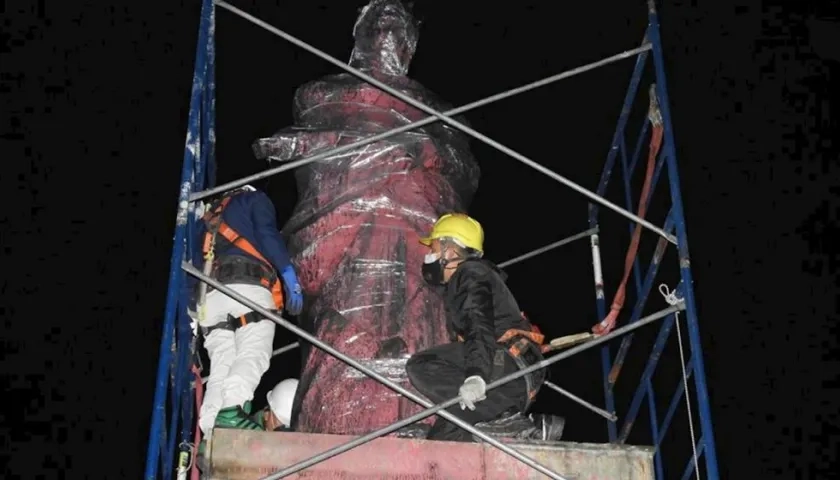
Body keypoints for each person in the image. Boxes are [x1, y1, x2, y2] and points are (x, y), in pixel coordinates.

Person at [406, 213, 563, 442]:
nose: (429, 254)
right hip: (512, 377)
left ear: (450, 250)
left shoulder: (469, 273)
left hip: (504, 363)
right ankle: (522, 425)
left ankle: (509, 419)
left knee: (422, 365)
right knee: (442, 441)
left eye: (434, 247)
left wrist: (475, 376)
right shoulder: (474, 278)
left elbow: (477, 324)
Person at [191, 185, 304, 437]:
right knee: (254, 351)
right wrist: (287, 272)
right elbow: (266, 233)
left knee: (223, 362)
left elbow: (193, 264)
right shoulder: (254, 199)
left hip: (209, 299)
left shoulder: (206, 218)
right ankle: (231, 410)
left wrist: (192, 311)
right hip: (247, 286)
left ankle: (210, 428)